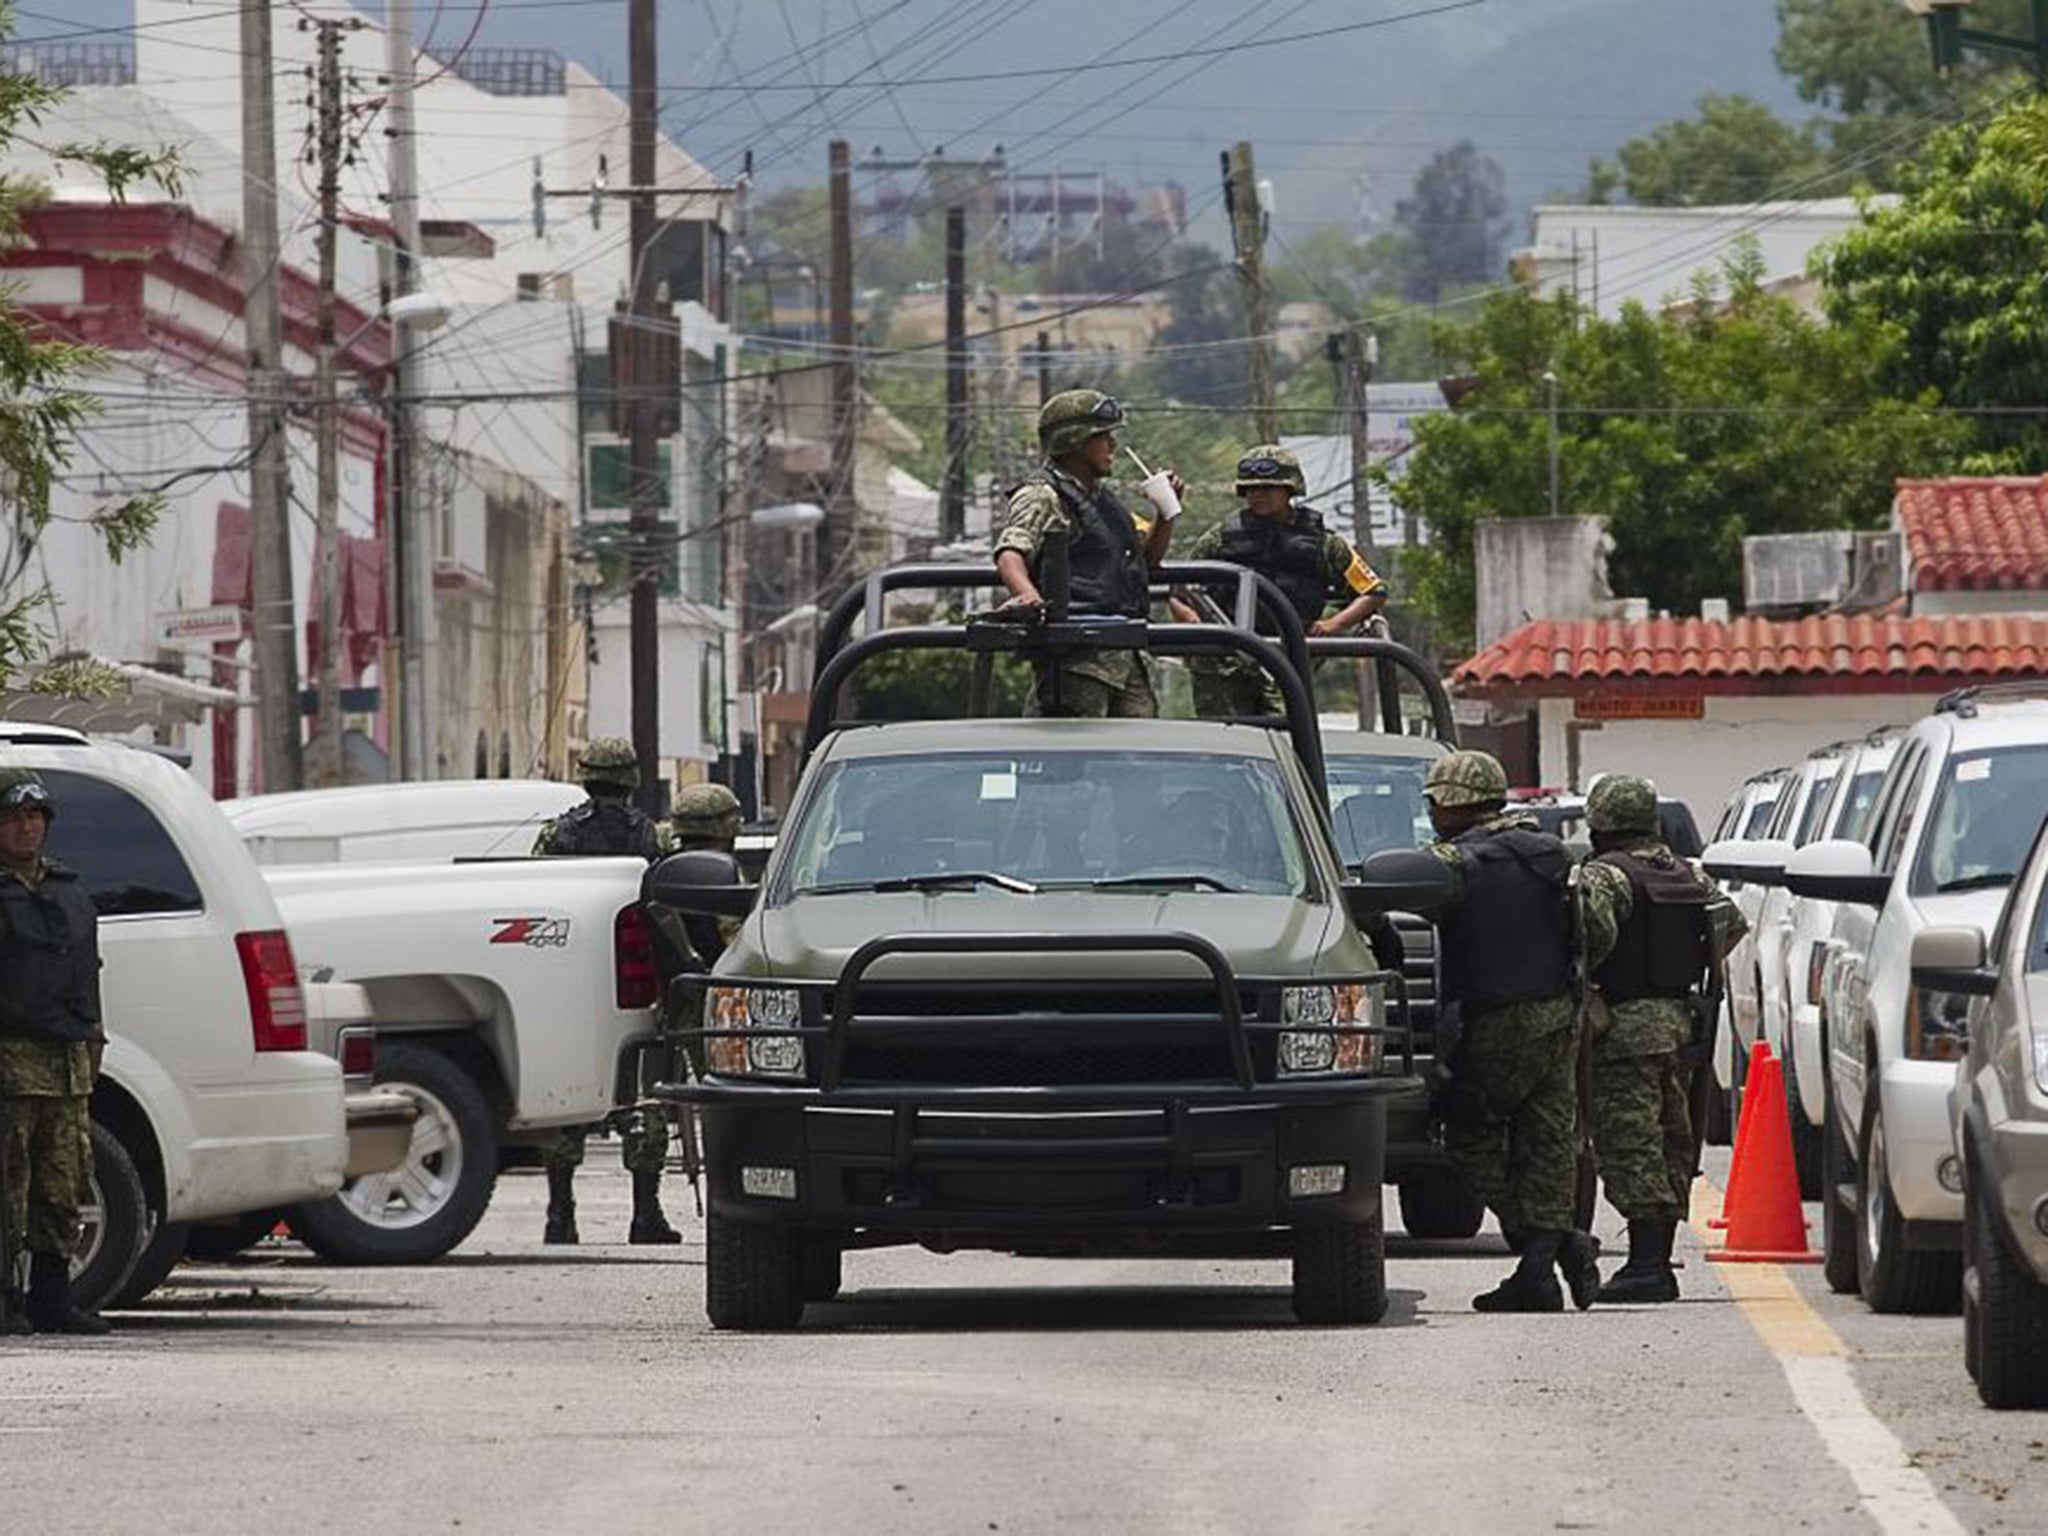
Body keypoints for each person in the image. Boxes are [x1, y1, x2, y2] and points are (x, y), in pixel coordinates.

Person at [1423, 750, 1601, 1313]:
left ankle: (1555, 1248)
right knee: (1548, 1143)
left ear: (1452, 803)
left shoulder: (1456, 862)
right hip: (1560, 1015)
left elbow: (1395, 903)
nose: (1430, 812)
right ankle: (1543, 1264)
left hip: (1496, 1021)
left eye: (1434, 801)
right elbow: (1595, 928)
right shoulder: (1553, 854)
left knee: (1468, 1132)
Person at [1578, 773, 1747, 1304]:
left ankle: (1649, 1266)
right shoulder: (1684, 874)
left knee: (1630, 1143)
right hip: (1682, 1026)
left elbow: (1591, 935)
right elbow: (1733, 925)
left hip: (1625, 1029)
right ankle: (1654, 1256)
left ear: (1599, 823)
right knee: (1674, 1139)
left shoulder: (1606, 876)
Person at [533, 739, 680, 1246]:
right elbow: (667, 913)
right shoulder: (652, 838)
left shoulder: (556, 836)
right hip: (635, 981)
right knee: (643, 1100)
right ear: (632, 778)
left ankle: (559, 1214)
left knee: (569, 1096)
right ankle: (645, 1215)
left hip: (567, 986)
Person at [0, 769, 111, 1335]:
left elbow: (86, 971)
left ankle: (51, 1298)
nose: (27, 828)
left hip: (65, 1061)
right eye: (15, 817)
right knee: (8, 1187)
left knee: (64, 1182)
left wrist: (94, 1035)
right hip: (10, 1063)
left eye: (36, 817)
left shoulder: (68, 890)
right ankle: (5, 1303)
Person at [992, 389, 1177, 718]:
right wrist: (1028, 597)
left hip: (1124, 653)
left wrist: (1165, 512)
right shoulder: (1042, 494)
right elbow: (1010, 552)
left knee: (1139, 760)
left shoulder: (1102, 501)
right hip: (1077, 657)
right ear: (1074, 441)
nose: (1112, 447)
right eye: (1102, 436)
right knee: (1070, 759)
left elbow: (1144, 560)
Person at [1171, 445, 1389, 718]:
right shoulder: (1222, 537)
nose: (1258, 495)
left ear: (1290, 490)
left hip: (1286, 662)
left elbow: (1373, 592)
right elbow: (1178, 591)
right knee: (1223, 744)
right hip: (1224, 665)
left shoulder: (1323, 542)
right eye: (1251, 489)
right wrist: (1195, 622)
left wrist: (1332, 625)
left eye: (1267, 488)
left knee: (1287, 742)